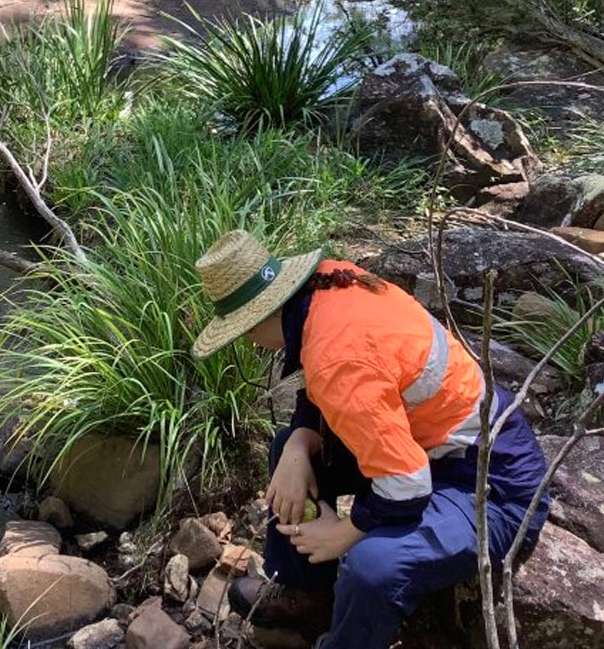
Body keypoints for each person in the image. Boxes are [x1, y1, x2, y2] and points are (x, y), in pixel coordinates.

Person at [191, 230, 548, 649]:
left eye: (245, 334)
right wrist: (297, 444)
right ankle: (309, 596)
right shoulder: (330, 284)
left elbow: (408, 485)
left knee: (371, 565)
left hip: (487, 480)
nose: (253, 345)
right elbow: (334, 389)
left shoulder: (335, 353)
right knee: (289, 446)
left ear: (256, 321)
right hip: (428, 443)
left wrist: (343, 533)